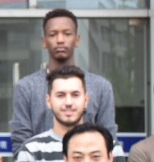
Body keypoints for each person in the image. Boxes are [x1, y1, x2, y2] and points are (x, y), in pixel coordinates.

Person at [14, 63, 128, 162]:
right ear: (48, 101)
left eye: (75, 95)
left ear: (86, 100)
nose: (68, 102)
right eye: (60, 95)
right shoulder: (31, 151)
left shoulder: (110, 147)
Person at [9, 9, 118, 148]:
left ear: (77, 40)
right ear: (44, 42)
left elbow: (109, 140)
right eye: (53, 34)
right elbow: (21, 142)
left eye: (67, 34)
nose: (60, 40)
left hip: (87, 161)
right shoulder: (26, 87)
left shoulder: (101, 86)